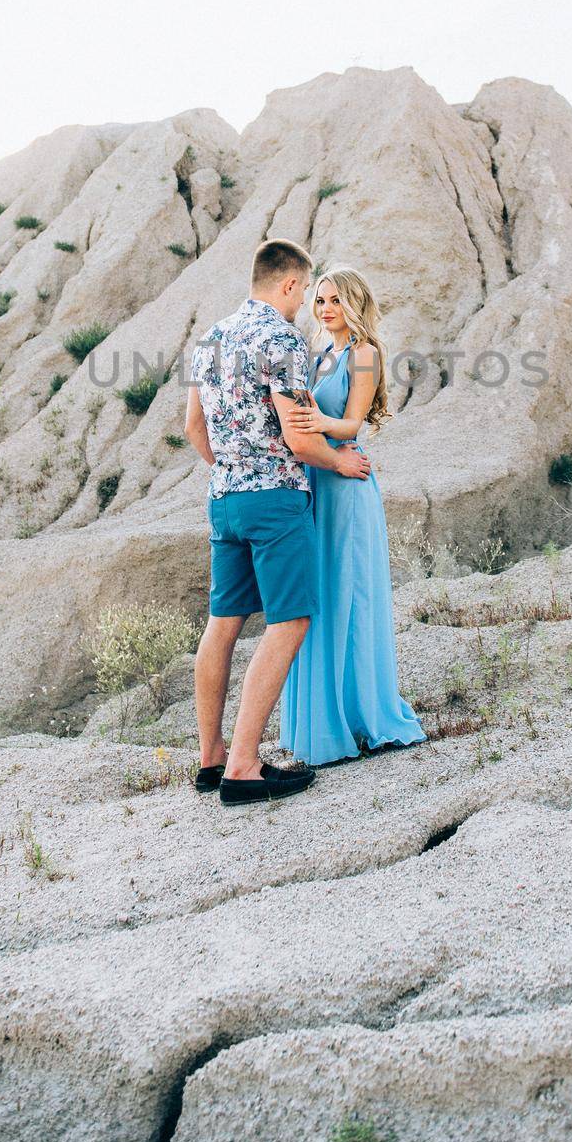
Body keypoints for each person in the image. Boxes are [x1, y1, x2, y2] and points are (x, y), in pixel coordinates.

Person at [186, 238, 371, 805]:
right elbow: (299, 437)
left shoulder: (212, 338)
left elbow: (195, 427)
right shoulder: (280, 339)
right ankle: (245, 767)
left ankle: (211, 758)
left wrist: (234, 471)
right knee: (290, 621)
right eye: (304, 291)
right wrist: (341, 459)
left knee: (223, 623)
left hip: (224, 499)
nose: (304, 306)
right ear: (290, 284)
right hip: (275, 499)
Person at [278, 267, 426, 766]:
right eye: (320, 300)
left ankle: (363, 713)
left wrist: (317, 422)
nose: (325, 309)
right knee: (321, 592)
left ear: (355, 303)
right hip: (317, 481)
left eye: (336, 300)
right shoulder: (320, 355)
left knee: (352, 591)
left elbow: (354, 421)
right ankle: (323, 719)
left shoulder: (365, 354)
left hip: (347, 480)